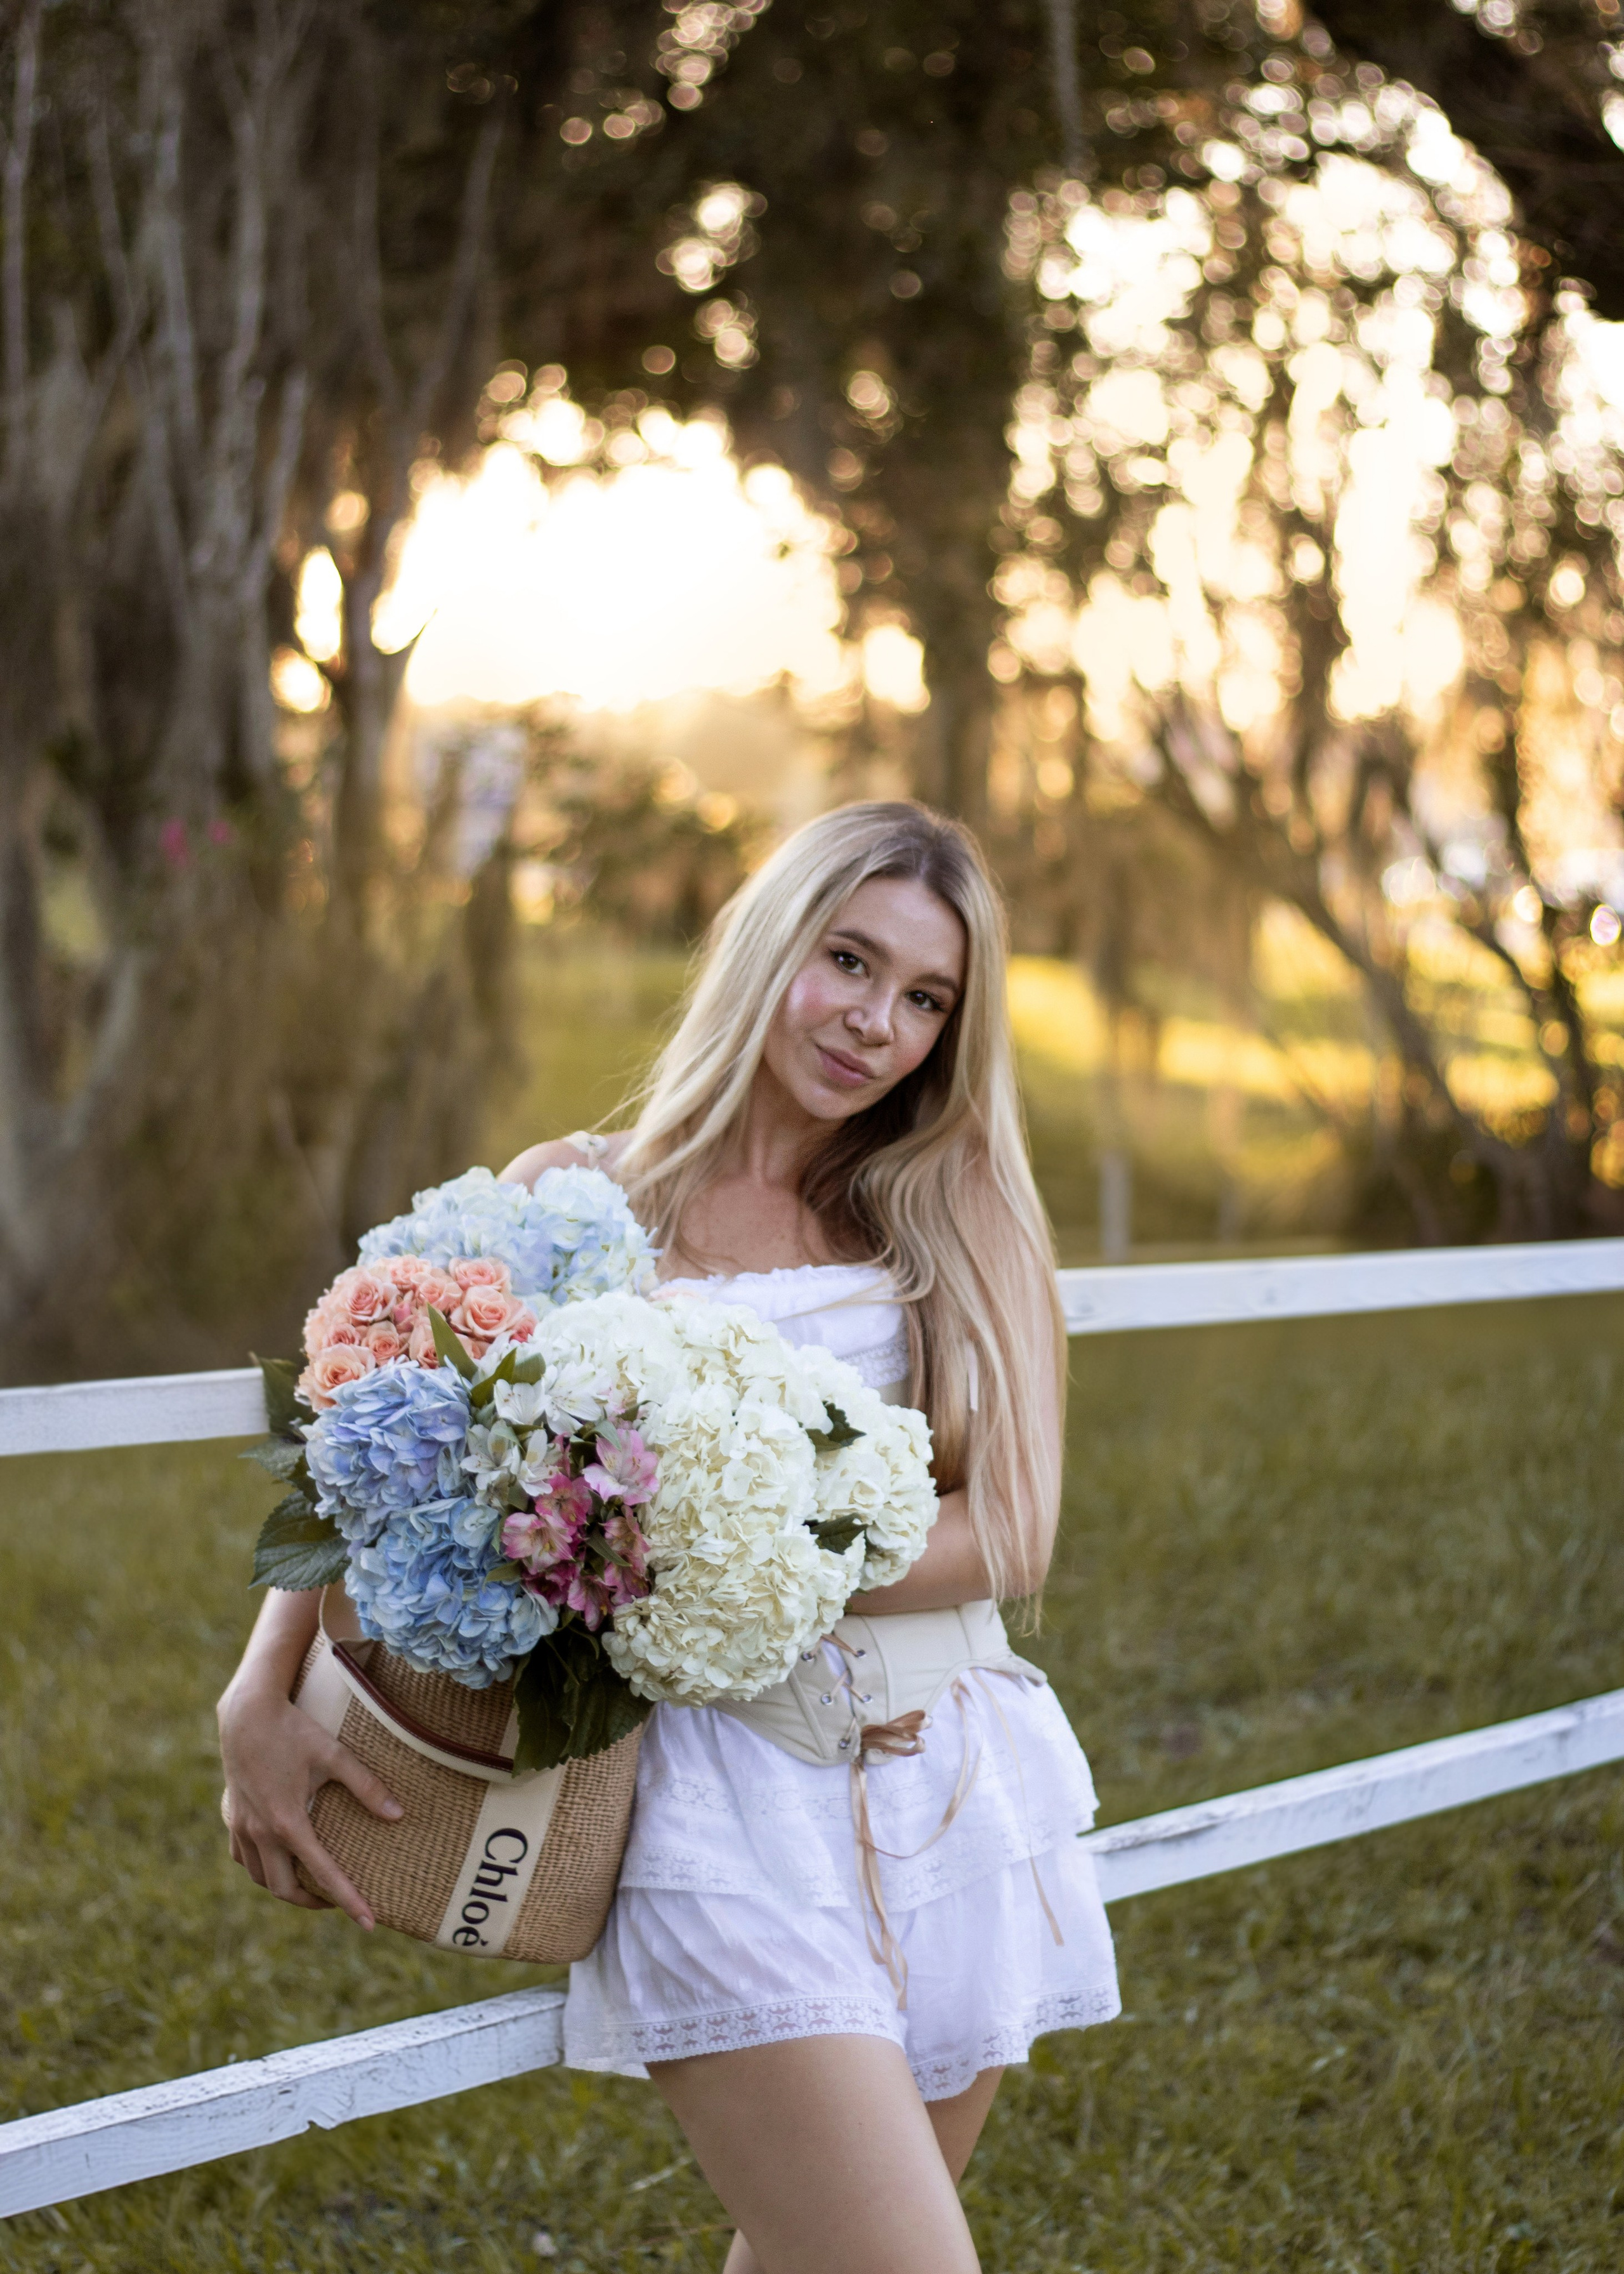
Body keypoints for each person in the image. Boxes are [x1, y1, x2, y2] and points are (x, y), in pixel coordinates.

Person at [218, 801, 1119, 2274]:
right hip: (718, 1800)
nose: (876, 1021)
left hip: (950, 1780)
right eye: (848, 959)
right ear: (769, 940)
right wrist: (260, 1682)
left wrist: (721, 1551)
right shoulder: (568, 1200)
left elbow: (1009, 1527)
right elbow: (379, 1444)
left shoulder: (954, 1210)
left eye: (925, 998)